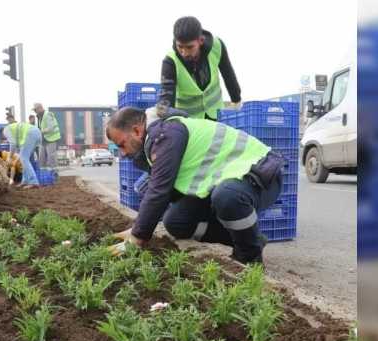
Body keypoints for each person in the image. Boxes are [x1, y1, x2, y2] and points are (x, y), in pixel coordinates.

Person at [106, 107, 284, 264]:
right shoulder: (155, 139)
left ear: (137, 131)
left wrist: (137, 238)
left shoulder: (165, 134)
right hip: (227, 181)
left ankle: (249, 258)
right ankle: (252, 240)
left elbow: (159, 191)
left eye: (121, 145)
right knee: (176, 222)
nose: (122, 153)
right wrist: (137, 227)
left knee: (227, 196)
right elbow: (160, 190)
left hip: (261, 174)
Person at [159, 16, 242, 120]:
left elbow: (228, 74)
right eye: (180, 46)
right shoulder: (170, 62)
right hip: (188, 122)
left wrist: (237, 101)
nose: (184, 53)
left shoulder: (216, 46)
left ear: (201, 40)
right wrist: (165, 111)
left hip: (215, 115)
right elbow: (166, 98)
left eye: (189, 47)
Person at [2, 118, 42, 188]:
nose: (6, 139)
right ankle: (25, 181)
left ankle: (34, 182)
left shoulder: (6, 131)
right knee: (24, 159)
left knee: (24, 159)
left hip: (30, 134)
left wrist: (9, 157)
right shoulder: (13, 129)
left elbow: (13, 143)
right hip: (37, 133)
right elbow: (16, 144)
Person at [33, 102, 61, 169]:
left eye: (35, 110)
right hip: (43, 140)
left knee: (51, 157)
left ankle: (54, 173)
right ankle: (43, 173)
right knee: (41, 158)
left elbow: (50, 128)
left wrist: (40, 132)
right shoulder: (40, 117)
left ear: (40, 108)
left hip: (51, 139)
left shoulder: (47, 114)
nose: (35, 112)